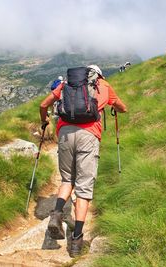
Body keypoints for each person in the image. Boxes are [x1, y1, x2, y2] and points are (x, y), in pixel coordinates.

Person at [39, 65, 127, 257]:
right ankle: (77, 240)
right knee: (84, 187)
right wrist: (117, 109)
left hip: (64, 134)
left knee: (67, 179)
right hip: (89, 136)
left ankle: (56, 214)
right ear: (98, 76)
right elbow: (122, 107)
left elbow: (43, 105)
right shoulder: (103, 85)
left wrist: (44, 121)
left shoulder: (66, 85)